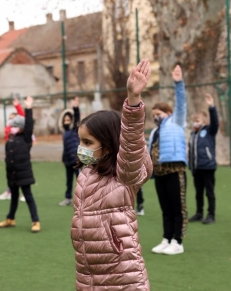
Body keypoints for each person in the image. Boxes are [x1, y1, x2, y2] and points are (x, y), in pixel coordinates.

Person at [71, 59, 152, 290]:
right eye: (80, 141)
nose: (82, 147)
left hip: (123, 277)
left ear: (108, 145)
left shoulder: (124, 175)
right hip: (89, 275)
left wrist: (133, 101)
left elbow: (132, 146)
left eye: (88, 142)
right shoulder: (87, 174)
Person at [148, 65, 188, 255]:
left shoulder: (177, 121)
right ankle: (167, 238)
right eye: (154, 115)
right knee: (165, 208)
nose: (156, 118)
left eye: (159, 114)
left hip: (175, 170)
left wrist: (178, 82)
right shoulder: (155, 131)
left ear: (168, 113)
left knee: (177, 207)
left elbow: (181, 103)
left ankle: (178, 241)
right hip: (160, 172)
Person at [0, 96, 41, 233]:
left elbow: (29, 125)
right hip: (12, 175)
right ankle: (10, 218)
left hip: (24, 174)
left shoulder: (26, 139)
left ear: (21, 128)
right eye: (12, 126)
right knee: (13, 198)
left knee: (28, 197)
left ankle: (35, 221)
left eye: (15, 126)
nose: (13, 128)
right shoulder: (10, 140)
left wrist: (28, 107)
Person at [188, 93, 219, 224]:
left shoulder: (209, 131)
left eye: (198, 121)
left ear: (204, 122)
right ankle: (199, 213)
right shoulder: (192, 134)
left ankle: (211, 214)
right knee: (198, 192)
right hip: (196, 168)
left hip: (208, 167)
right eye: (194, 121)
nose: (195, 123)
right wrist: (191, 165)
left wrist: (211, 107)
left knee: (209, 192)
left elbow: (215, 122)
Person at [0, 97, 27, 202]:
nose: (10, 120)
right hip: (10, 156)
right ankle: (9, 191)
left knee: (22, 175)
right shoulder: (8, 130)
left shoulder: (20, 132)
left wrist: (17, 106)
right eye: (9, 118)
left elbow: (23, 117)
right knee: (11, 175)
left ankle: (23, 193)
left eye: (12, 118)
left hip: (19, 157)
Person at [59, 97, 81, 206]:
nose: (67, 122)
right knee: (69, 181)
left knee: (80, 181)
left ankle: (82, 199)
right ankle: (68, 198)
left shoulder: (75, 130)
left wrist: (75, 107)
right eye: (65, 120)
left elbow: (77, 118)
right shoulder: (64, 134)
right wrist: (63, 159)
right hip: (68, 161)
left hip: (76, 160)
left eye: (68, 120)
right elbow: (65, 147)